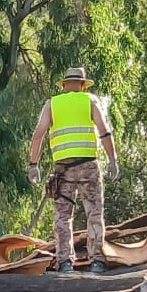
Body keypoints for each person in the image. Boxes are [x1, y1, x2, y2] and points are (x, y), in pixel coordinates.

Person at [27, 67, 118, 275]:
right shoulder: (90, 101)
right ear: (83, 85)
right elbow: (104, 131)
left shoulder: (52, 103)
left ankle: (65, 262)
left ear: (65, 85)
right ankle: (97, 261)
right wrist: (113, 159)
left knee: (62, 216)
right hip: (89, 166)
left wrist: (34, 164)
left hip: (63, 169)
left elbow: (38, 135)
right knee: (94, 213)